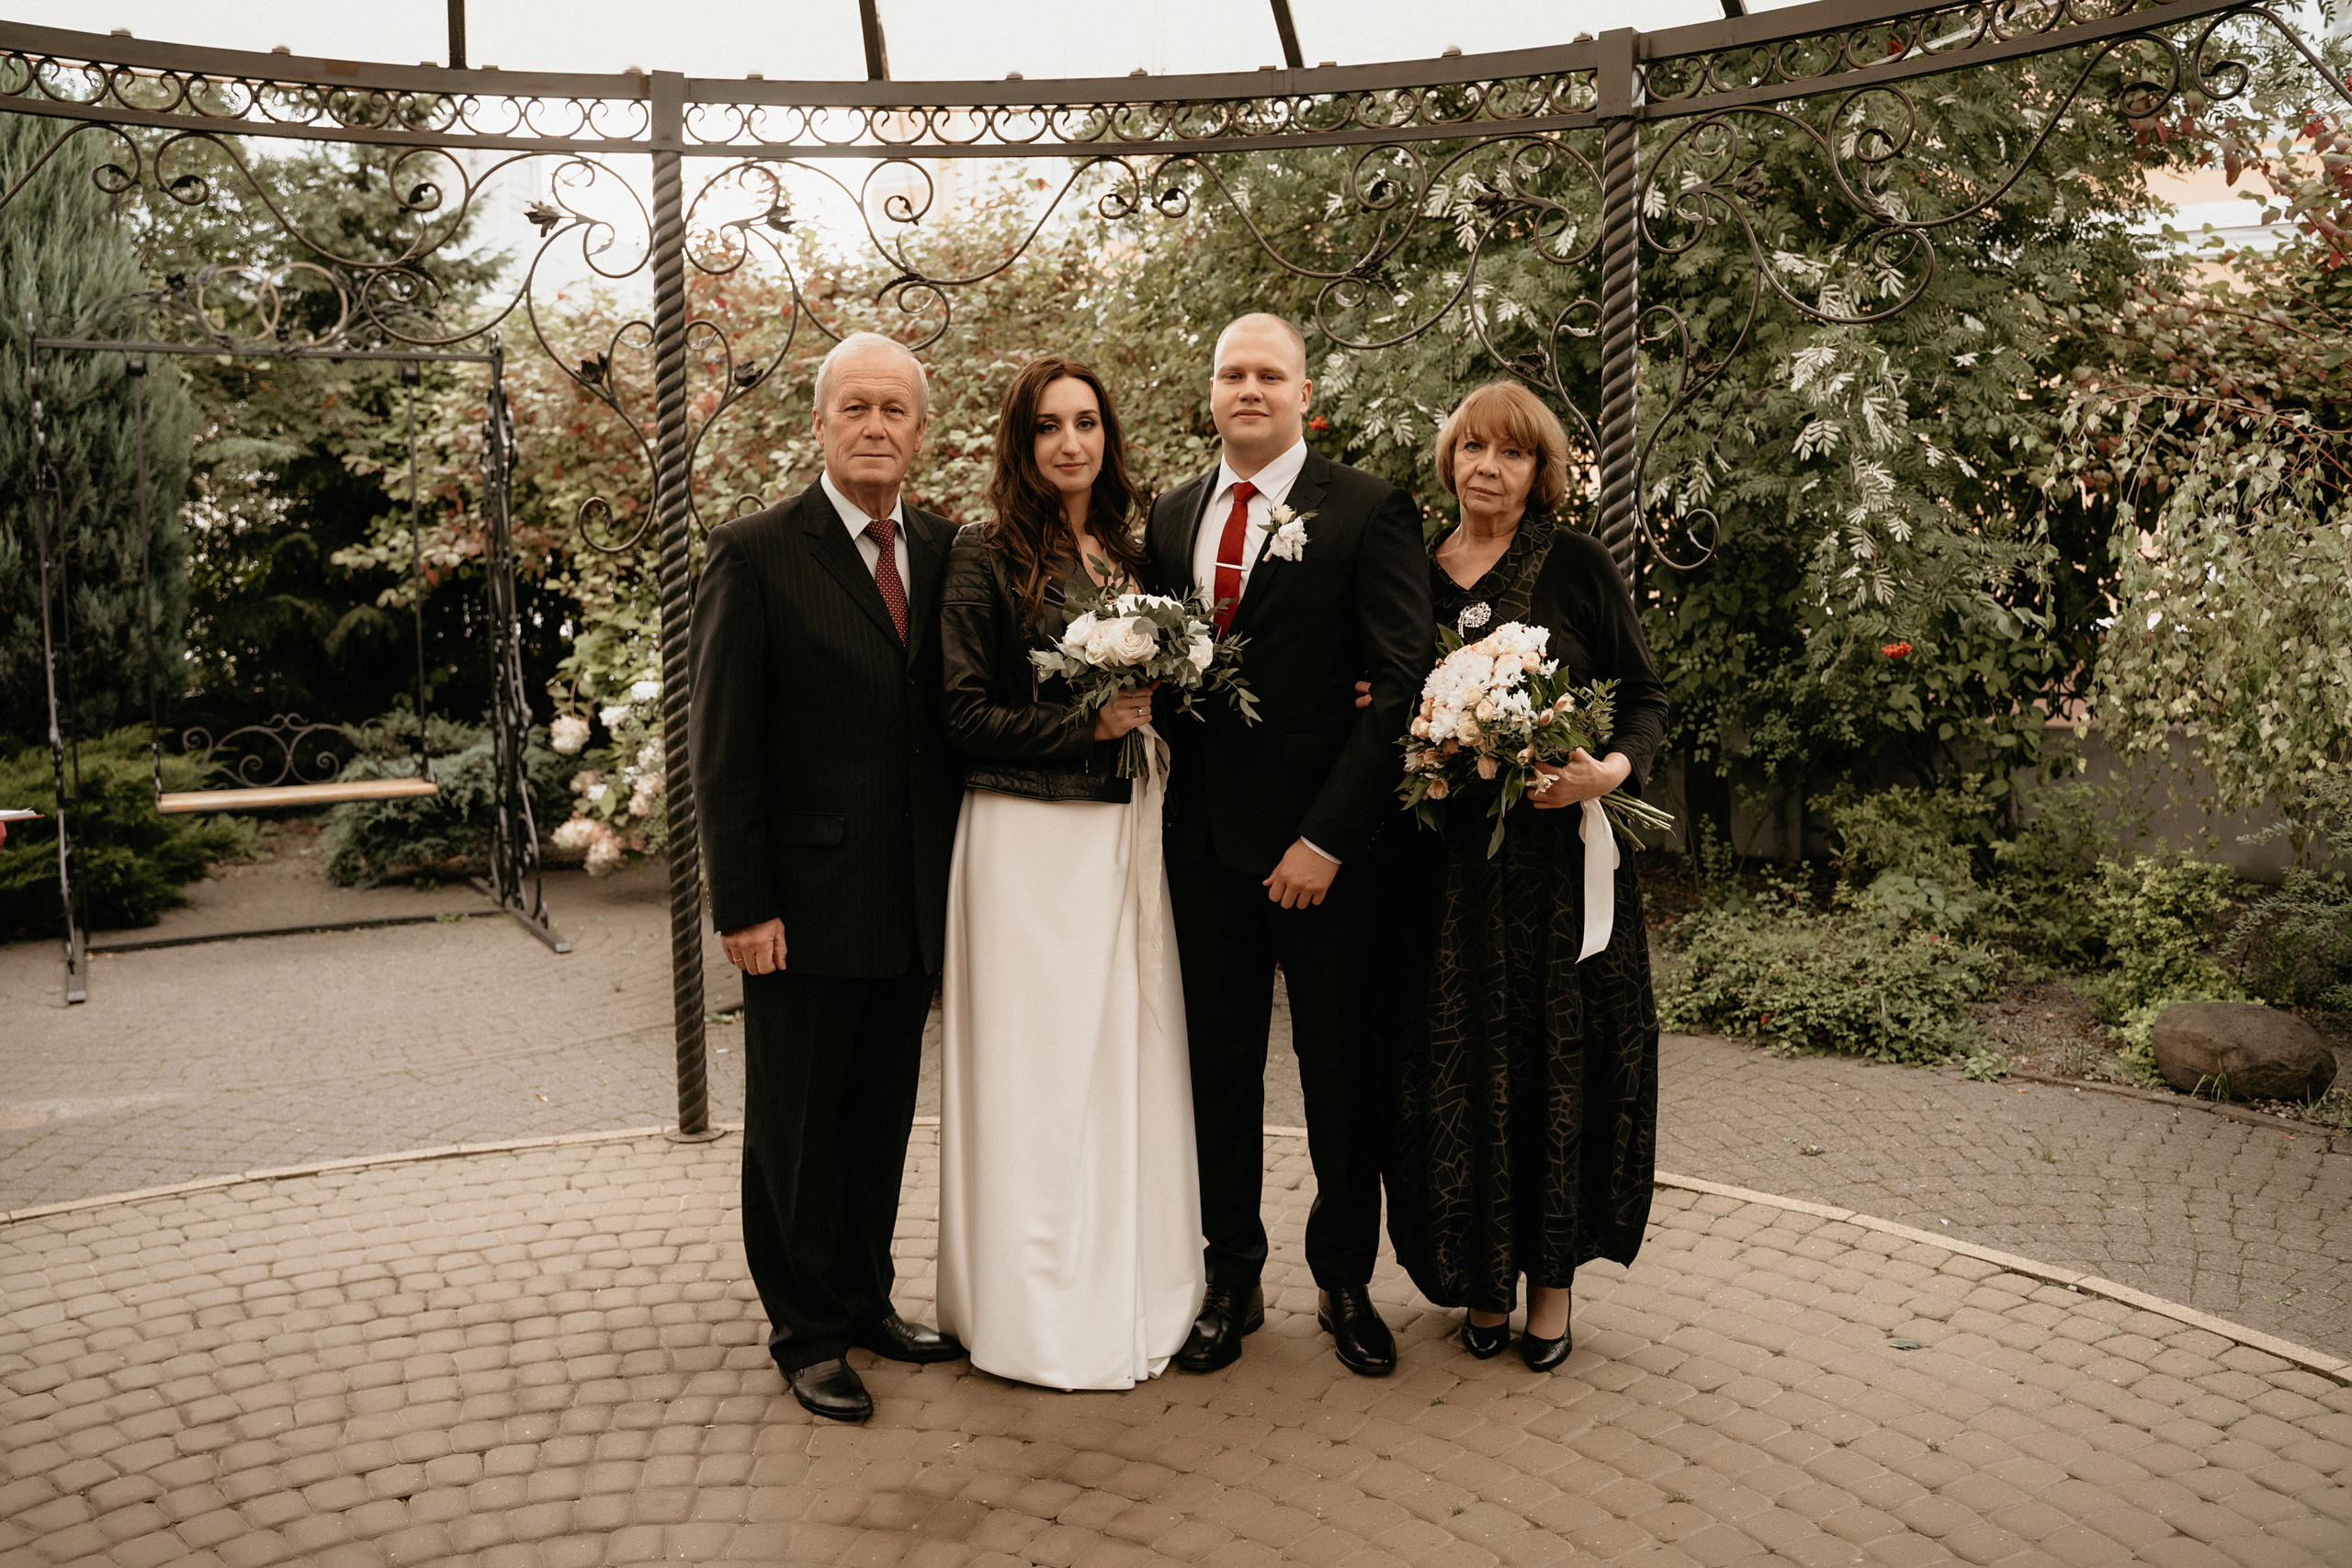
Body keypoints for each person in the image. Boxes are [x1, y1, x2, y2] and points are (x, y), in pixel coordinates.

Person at [1144, 312, 1434, 1378]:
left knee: (1339, 1076)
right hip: (1208, 852)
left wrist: (1327, 837)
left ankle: (1344, 1281)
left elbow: (1396, 685)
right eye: (1231, 374)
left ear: (1305, 392)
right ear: (1210, 393)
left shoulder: (1365, 508)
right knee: (1216, 1075)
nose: (1248, 389)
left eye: (1268, 374)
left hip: (1329, 861)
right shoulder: (1172, 515)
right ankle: (1231, 1278)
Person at [687, 331, 968, 1424]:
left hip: (908, 902)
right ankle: (804, 1331)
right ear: (818, 425)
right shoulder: (755, 552)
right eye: (854, 408)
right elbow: (721, 744)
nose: (874, 427)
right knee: (797, 1128)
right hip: (798, 908)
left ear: (919, 432)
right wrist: (744, 901)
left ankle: (864, 1299)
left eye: (894, 411)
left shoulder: (947, 550)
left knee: (879, 1117)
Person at [1384, 380, 1669, 1371]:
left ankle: (1550, 1288)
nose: (1486, 468)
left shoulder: (1578, 567)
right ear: (1449, 459)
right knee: (1464, 1074)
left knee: (1558, 1073)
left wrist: (1609, 770)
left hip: (1559, 881)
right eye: (1470, 448)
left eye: (1508, 453)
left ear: (1537, 470)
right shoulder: (1417, 576)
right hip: (1452, 887)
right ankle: (1481, 1278)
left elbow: (1644, 693)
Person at [933, 356, 1206, 1390]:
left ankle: (1127, 1276)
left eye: (1086, 422)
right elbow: (958, 717)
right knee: (1040, 1073)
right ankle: (1034, 1306)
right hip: (1025, 841)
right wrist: (1081, 722)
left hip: (1122, 834)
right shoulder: (982, 555)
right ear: (1022, 441)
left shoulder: (1130, 557)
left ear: (1108, 435)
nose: (1070, 443)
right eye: (1048, 426)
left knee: (1122, 1056)